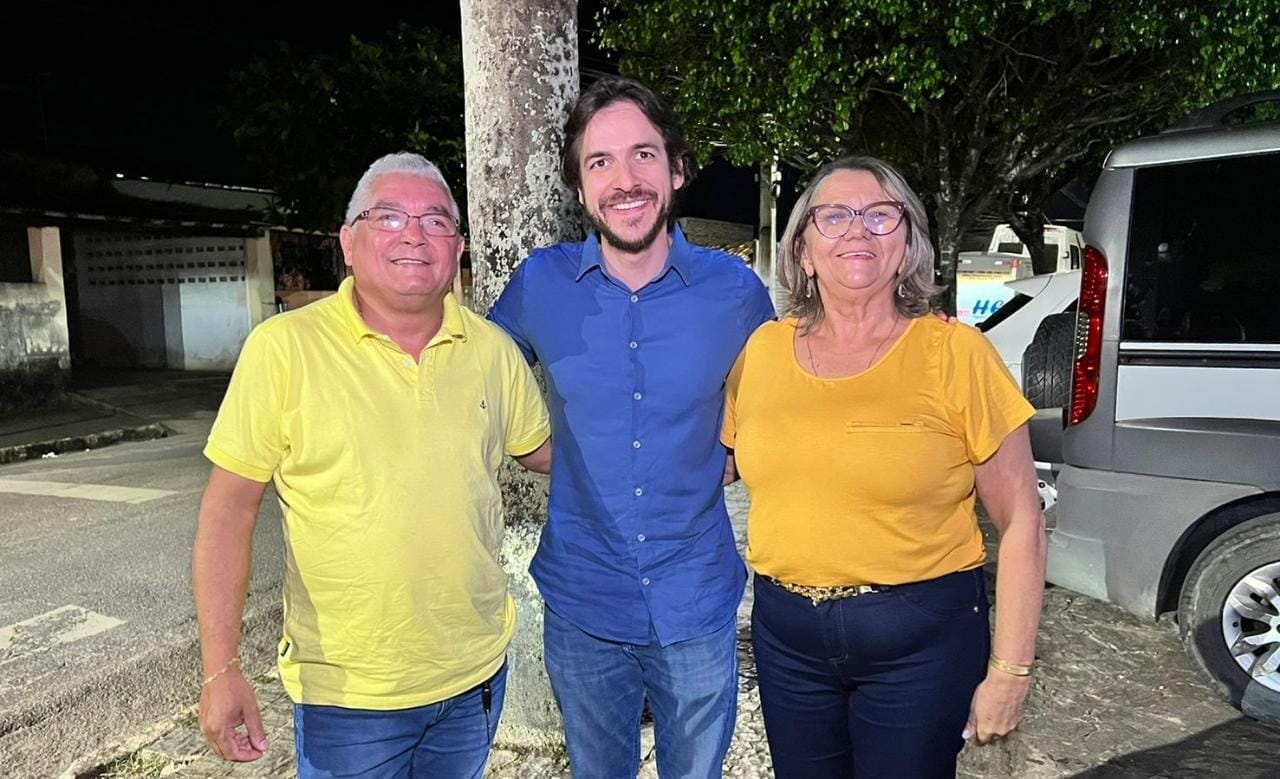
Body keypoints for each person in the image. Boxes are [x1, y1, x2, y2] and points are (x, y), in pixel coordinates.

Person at [192, 152, 551, 778]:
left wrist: (675, 445)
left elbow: (548, 454)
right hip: (348, 701)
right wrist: (220, 669)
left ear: (458, 248)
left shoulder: (492, 350)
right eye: (388, 216)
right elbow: (227, 513)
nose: (414, 234)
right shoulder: (284, 350)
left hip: (474, 679)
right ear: (348, 242)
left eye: (435, 221)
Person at [721, 156, 1047, 778]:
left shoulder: (955, 354)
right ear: (805, 250)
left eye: (880, 215)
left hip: (921, 644)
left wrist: (1010, 670)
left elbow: (1023, 520)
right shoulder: (760, 353)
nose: (857, 231)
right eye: (834, 216)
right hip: (787, 639)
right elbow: (712, 463)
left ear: (906, 247)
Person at [488, 76, 775, 777]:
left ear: (676, 169)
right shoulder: (540, 284)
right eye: (600, 162)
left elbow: (788, 394)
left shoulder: (735, 292)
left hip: (698, 600)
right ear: (580, 187)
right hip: (583, 602)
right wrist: (538, 448)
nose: (625, 180)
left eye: (644, 155)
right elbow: (469, 380)